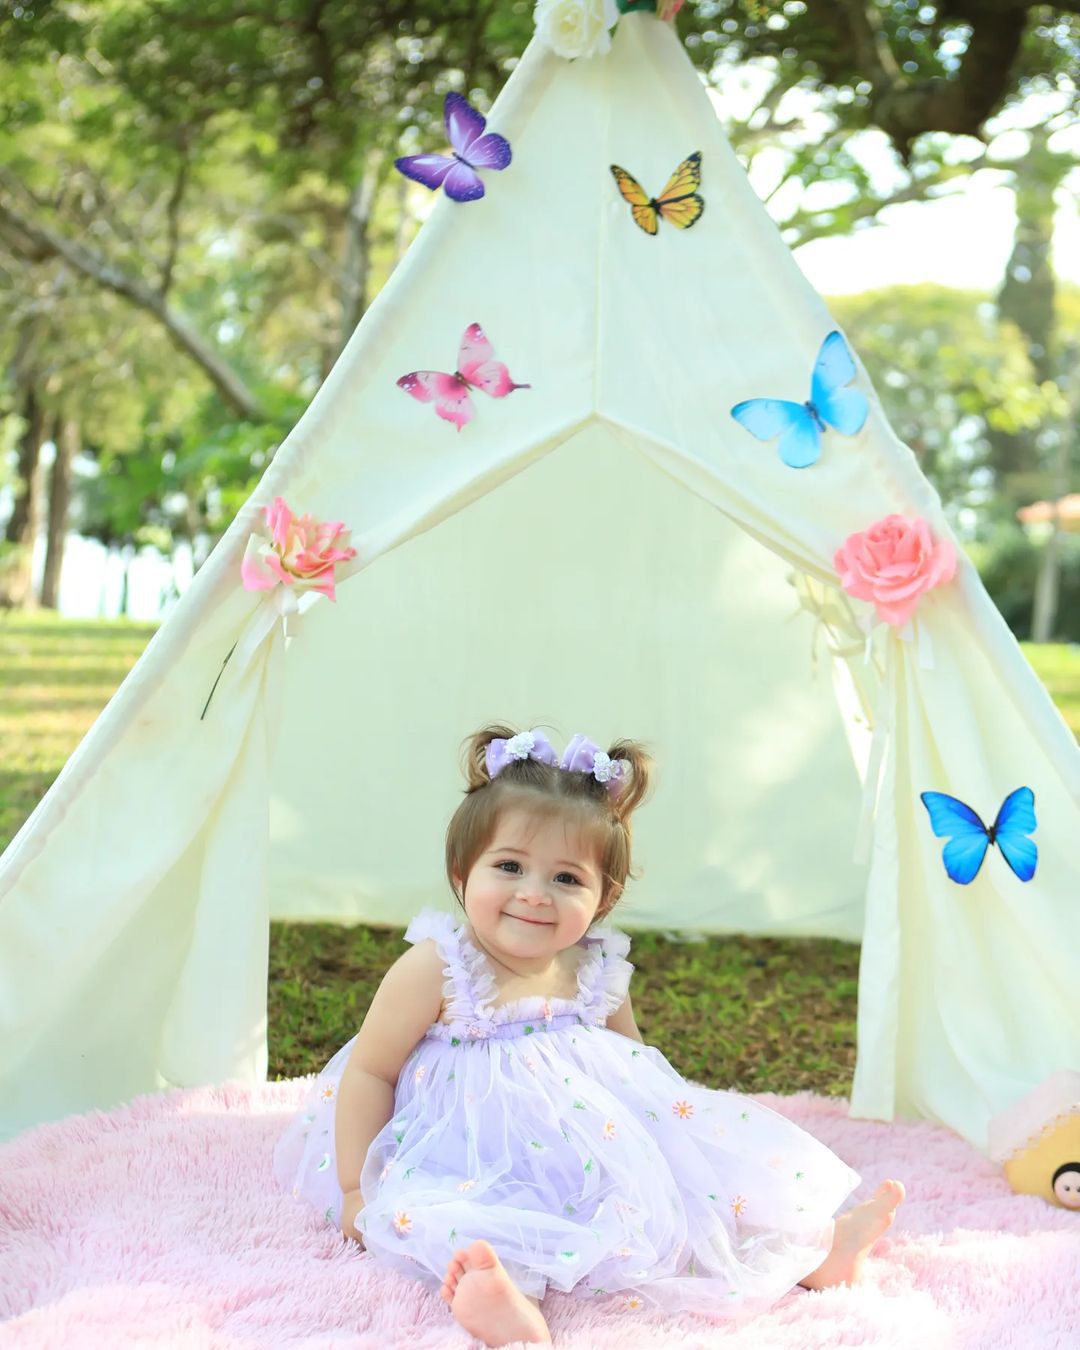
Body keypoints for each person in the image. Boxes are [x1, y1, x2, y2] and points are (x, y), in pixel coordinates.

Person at [275, 725, 904, 1346]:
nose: (534, 894)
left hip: (583, 1147)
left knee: (694, 1192)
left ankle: (821, 1254)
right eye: (510, 866)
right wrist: (359, 1186)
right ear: (463, 873)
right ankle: (507, 1301)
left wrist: (671, 1139)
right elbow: (372, 1070)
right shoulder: (439, 966)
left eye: (566, 879)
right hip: (468, 1150)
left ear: (604, 898)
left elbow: (635, 1064)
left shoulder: (595, 966)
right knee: (470, 1217)